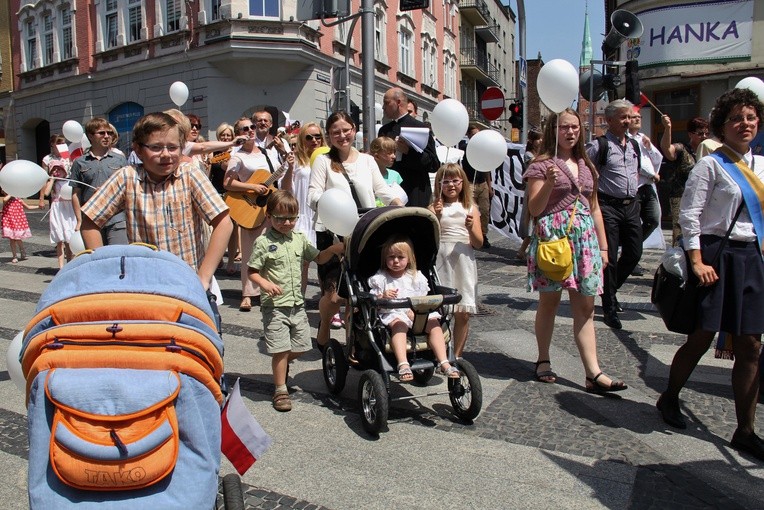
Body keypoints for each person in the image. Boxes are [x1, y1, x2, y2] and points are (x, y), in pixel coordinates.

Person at [657, 88, 764, 461]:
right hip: (716, 255)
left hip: (751, 257)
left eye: (751, 117)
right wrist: (697, 261)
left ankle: (745, 430)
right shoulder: (711, 165)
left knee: (751, 344)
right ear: (723, 124)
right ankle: (670, 396)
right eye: (737, 118)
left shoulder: (763, 166)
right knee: (701, 336)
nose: (745, 124)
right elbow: (689, 215)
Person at [525, 108, 627, 393]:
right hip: (554, 241)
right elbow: (534, 209)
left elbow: (594, 208)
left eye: (575, 127)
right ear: (552, 130)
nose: (570, 132)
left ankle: (593, 373)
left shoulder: (587, 165)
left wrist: (604, 247)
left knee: (585, 307)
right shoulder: (540, 164)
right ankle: (543, 359)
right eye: (564, 127)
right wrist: (548, 181)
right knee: (550, 303)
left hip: (584, 242)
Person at [79, 112, 233, 292]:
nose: (166, 154)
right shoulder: (127, 177)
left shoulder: (189, 175)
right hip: (144, 284)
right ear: (138, 149)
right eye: (156, 147)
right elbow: (89, 219)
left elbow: (224, 222)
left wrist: (204, 276)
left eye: (173, 147)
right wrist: (103, 269)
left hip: (188, 282)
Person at [308, 110, 403, 350]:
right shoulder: (323, 161)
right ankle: (326, 324)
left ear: (354, 129)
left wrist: (396, 203)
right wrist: (331, 204)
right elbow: (313, 195)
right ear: (329, 136)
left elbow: (382, 190)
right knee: (334, 295)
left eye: (346, 130)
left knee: (358, 292)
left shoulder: (367, 160)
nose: (342, 135)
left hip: (364, 231)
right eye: (335, 132)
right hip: (332, 233)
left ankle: (353, 342)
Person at [248, 190, 344, 412]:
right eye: (281, 218)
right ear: (269, 216)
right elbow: (253, 271)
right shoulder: (263, 243)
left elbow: (318, 258)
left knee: (302, 346)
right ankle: (280, 389)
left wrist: (332, 249)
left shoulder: (299, 239)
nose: (287, 223)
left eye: (292, 218)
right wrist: (265, 284)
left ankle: (281, 366)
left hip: (296, 305)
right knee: (280, 349)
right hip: (275, 306)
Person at [368, 234, 460, 381]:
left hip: (417, 313)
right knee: (400, 325)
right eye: (391, 257)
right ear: (385, 259)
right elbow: (373, 298)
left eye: (400, 257)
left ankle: (444, 362)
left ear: (409, 258)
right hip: (394, 312)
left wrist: (418, 309)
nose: (396, 261)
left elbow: (423, 297)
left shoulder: (416, 277)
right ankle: (403, 363)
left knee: (435, 325)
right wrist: (383, 296)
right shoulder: (381, 278)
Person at [225, 116, 294, 311]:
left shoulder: (268, 153)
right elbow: (228, 183)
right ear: (238, 134)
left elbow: (277, 180)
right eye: (244, 129)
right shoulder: (237, 156)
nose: (250, 131)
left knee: (271, 250)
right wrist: (253, 187)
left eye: (252, 127)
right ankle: (247, 293)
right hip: (250, 208)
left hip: (269, 207)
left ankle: (270, 291)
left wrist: (288, 164)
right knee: (250, 251)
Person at [585, 99, 641, 330]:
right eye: (622, 117)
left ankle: (611, 289)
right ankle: (608, 306)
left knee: (635, 252)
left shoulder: (635, 145)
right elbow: (587, 172)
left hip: (631, 205)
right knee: (609, 258)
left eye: (629, 117)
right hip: (608, 205)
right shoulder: (600, 146)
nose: (627, 121)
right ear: (609, 121)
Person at [429, 163, 482, 359]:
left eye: (455, 181)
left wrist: (470, 228)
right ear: (439, 184)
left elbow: (478, 242)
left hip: (463, 260)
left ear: (463, 182)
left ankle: (457, 355)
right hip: (442, 259)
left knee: (463, 311)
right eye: (446, 181)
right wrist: (436, 215)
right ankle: (440, 353)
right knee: (440, 311)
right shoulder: (434, 207)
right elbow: (428, 238)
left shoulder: (470, 208)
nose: (451, 185)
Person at [70, 117, 129, 246]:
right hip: (91, 219)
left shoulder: (120, 160)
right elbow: (75, 193)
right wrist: (79, 219)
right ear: (90, 136)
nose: (107, 136)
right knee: (97, 258)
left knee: (118, 257)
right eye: (102, 133)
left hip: (117, 218)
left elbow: (129, 189)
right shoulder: (80, 162)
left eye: (109, 133)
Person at [378, 87, 440, 207]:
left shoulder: (420, 128)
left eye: (386, 103)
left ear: (398, 102)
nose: (383, 107)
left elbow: (433, 164)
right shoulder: (384, 130)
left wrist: (408, 152)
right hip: (391, 189)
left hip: (415, 190)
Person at [287, 122, 325, 294]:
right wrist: (288, 169)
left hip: (322, 216)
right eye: (309, 137)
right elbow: (287, 188)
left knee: (325, 263)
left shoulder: (328, 158)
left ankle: (327, 300)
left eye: (318, 136)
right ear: (302, 139)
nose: (314, 140)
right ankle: (298, 300)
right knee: (301, 263)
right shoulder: (296, 160)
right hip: (302, 216)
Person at [660, 115, 709, 246]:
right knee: (681, 231)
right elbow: (667, 150)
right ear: (690, 134)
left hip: (702, 197)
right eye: (700, 133)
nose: (704, 136)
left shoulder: (708, 151)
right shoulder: (682, 148)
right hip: (680, 197)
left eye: (706, 133)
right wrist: (667, 128)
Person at [629, 107, 664, 276]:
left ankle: (633, 249)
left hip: (647, 187)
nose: (637, 119)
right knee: (634, 225)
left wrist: (649, 148)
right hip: (634, 188)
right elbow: (636, 163)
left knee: (653, 219)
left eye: (639, 117)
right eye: (634, 117)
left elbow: (657, 158)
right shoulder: (626, 140)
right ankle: (632, 257)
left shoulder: (643, 138)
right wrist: (652, 174)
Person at [210, 122, 240, 275]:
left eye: (228, 135)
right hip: (216, 193)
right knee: (217, 227)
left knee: (233, 228)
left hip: (232, 193)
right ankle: (218, 256)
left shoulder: (236, 153)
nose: (226, 137)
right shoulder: (212, 153)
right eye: (223, 134)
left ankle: (231, 261)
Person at [459, 125, 494, 249]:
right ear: (468, 136)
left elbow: (487, 169)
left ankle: (483, 235)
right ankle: (471, 234)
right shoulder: (464, 149)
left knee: (484, 211)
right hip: (469, 183)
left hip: (482, 183)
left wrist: (489, 186)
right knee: (470, 210)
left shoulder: (483, 150)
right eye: (473, 134)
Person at [40, 159, 76, 268]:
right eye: (55, 169)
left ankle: (70, 264)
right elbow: (46, 193)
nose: (57, 171)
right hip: (57, 209)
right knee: (60, 240)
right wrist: (51, 180)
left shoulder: (69, 181)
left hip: (68, 210)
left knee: (69, 239)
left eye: (59, 169)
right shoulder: (53, 182)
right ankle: (61, 267)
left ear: (64, 171)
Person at [518, 130, 543, 260]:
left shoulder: (541, 154)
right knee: (531, 219)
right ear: (532, 141)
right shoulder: (529, 155)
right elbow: (536, 164)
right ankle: (523, 250)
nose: (541, 141)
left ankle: (523, 251)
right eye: (538, 139)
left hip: (542, 187)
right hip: (532, 187)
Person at [1, 187, 39, 263]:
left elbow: (28, 207)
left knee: (18, 238)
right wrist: (11, 193)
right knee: (12, 239)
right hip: (10, 222)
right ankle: (14, 256)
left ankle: (22, 251)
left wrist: (39, 206)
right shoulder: (6, 200)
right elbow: (4, 200)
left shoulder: (18, 199)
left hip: (18, 222)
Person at [369, 136, 407, 206]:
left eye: (394, 152)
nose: (394, 156)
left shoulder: (395, 175)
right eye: (389, 153)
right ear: (376, 156)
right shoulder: (367, 175)